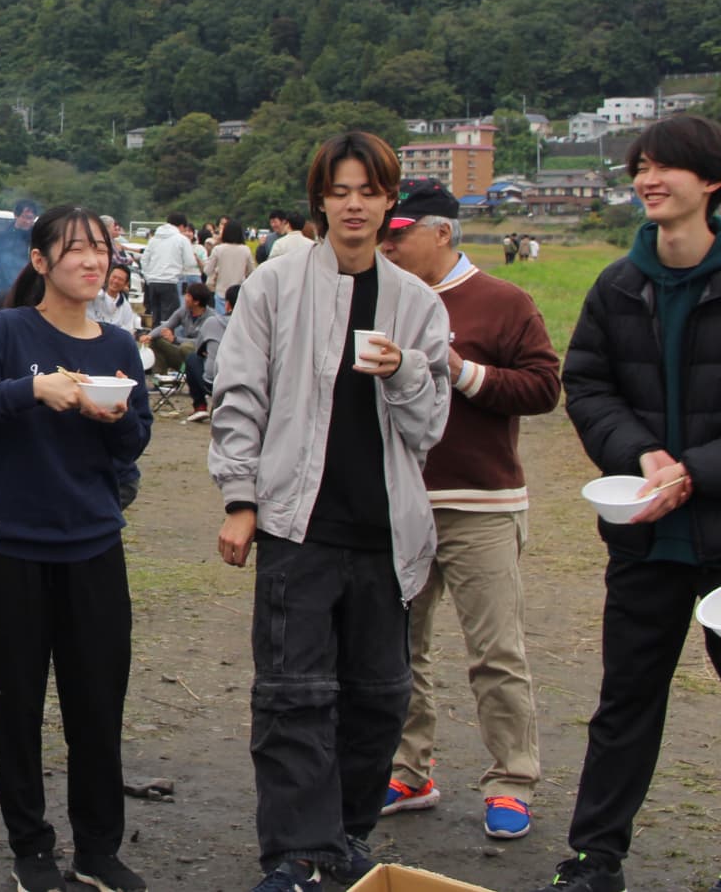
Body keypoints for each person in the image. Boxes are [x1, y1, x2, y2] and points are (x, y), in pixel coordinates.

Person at [209, 132, 451, 892]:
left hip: (385, 532)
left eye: (368, 191)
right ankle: (292, 850)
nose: (353, 204)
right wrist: (241, 499)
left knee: (381, 695)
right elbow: (239, 394)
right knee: (293, 692)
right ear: (320, 199)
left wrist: (406, 372)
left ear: (389, 203)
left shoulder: (416, 303)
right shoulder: (277, 284)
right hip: (295, 522)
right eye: (340, 190)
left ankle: (343, 834)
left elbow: (431, 426)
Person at [526, 115, 721, 892]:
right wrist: (641, 455)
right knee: (625, 701)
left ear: (710, 180)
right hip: (644, 534)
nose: (648, 177)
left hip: (719, 527)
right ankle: (594, 857)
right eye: (641, 164)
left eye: (667, 165)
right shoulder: (618, 283)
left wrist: (696, 471)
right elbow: (590, 384)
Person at [0, 207, 151, 892]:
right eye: (76, 251)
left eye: (102, 250)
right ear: (39, 262)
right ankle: (31, 845)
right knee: (17, 700)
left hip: (93, 544)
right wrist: (35, 387)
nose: (94, 262)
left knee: (97, 702)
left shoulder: (119, 346)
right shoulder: (10, 330)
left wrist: (116, 416)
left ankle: (98, 847)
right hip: (9, 548)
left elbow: (133, 442)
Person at [376, 179, 560, 839]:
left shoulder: (503, 302)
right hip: (403, 499)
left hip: (482, 499)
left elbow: (544, 386)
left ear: (441, 233)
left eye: (398, 236)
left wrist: (460, 369)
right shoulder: (384, 299)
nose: (387, 246)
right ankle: (409, 766)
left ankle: (512, 776)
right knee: (399, 647)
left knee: (495, 649)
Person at [139, 284, 225, 421]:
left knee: (187, 347)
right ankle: (161, 381)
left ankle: (199, 397)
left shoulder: (211, 318)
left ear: (196, 301)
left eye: (188, 295)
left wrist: (175, 339)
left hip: (200, 361)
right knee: (157, 341)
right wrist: (150, 335)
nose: (185, 298)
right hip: (182, 357)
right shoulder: (184, 311)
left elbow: (201, 343)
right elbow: (166, 326)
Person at [137, 213, 191, 327]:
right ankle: (164, 343)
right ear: (181, 226)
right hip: (170, 282)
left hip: (153, 283)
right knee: (169, 320)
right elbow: (190, 262)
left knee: (155, 317)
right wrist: (181, 272)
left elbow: (144, 260)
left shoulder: (154, 239)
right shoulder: (181, 239)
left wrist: (148, 276)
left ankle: (154, 342)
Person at [0, 200, 39, 297]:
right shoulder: (3, 236)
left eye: (31, 218)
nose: (28, 221)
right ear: (16, 215)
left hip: (30, 286)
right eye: (25, 217)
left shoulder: (37, 237)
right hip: (5, 287)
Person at [207, 220, 255, 310]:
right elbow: (252, 272)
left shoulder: (218, 249)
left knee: (221, 322)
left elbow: (207, 270)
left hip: (221, 292)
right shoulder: (245, 250)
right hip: (239, 293)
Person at [87, 265, 137, 332]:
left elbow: (128, 329)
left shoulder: (125, 306)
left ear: (126, 284)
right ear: (108, 276)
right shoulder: (93, 296)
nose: (116, 281)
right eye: (114, 277)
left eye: (120, 279)